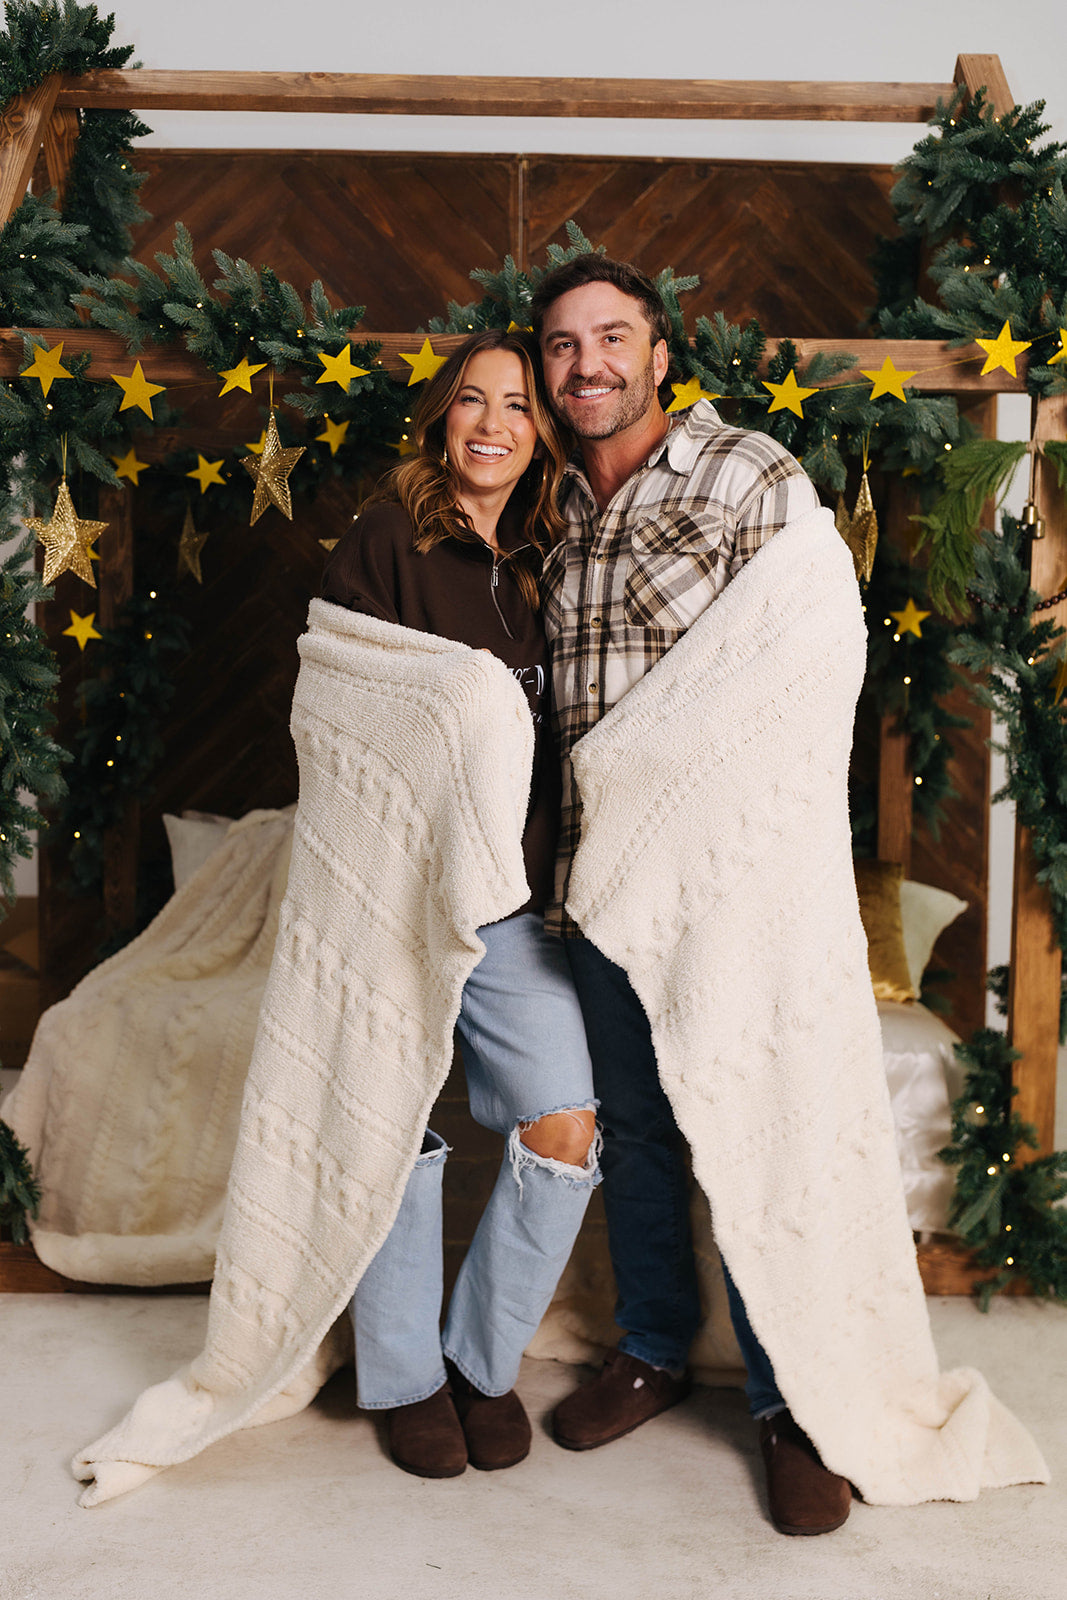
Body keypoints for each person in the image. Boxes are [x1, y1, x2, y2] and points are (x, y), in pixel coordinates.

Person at [530, 255, 853, 1535]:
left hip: (722, 881)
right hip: (598, 884)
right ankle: (652, 1348)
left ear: (660, 355)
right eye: (562, 344)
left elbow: (807, 661)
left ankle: (789, 1404)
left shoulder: (746, 472)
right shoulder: (548, 503)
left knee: (746, 1123)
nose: (587, 364)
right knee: (639, 1129)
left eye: (612, 337)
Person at [321, 328, 600, 1481]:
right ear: (441, 418)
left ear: (542, 432)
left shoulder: (551, 554)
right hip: (393, 883)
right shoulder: (388, 537)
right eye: (472, 401)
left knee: (563, 1122)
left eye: (517, 405)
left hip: (511, 895)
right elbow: (336, 706)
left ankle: (479, 1361)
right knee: (389, 1111)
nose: (491, 423)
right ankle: (403, 1378)